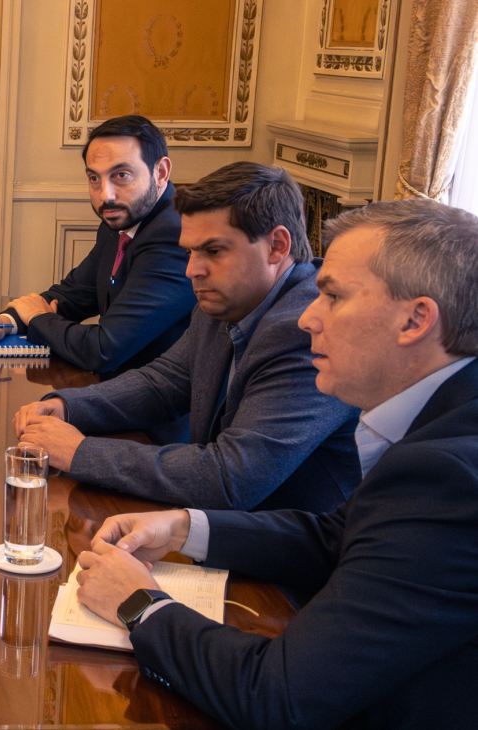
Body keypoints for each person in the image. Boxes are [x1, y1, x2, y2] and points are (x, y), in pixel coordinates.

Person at [74, 199, 478, 729]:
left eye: (332, 296)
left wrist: (138, 605)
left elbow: (278, 697)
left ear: (415, 319)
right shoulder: (445, 419)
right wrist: (182, 527)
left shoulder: (448, 475)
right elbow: (334, 537)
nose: (309, 316)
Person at [15, 162, 359, 512]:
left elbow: (229, 478)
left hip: (284, 554)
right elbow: (164, 382)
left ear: (277, 246)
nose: (192, 270)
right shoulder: (226, 300)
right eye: (190, 251)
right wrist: (68, 406)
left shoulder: (308, 331)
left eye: (213, 251)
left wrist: (80, 452)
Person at [0, 115, 197, 376]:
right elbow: (73, 295)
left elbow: (103, 349)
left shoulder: (176, 234)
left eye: (121, 175)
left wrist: (38, 318)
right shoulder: (120, 221)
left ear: (161, 172)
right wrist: (6, 322)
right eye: (94, 178)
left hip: (154, 408)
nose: (105, 195)